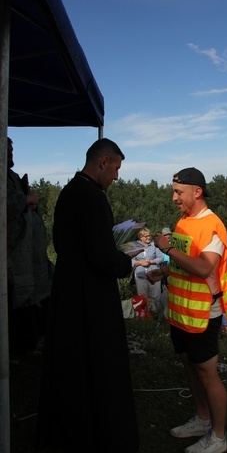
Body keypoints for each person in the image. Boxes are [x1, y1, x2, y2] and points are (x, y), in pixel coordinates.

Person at [36, 138, 140, 453]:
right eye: (116, 169)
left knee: (70, 365)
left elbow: (74, 245)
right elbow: (101, 257)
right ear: (103, 161)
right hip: (91, 297)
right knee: (96, 364)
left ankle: (67, 427)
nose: (117, 177)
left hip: (68, 288)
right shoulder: (92, 198)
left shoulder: (69, 192)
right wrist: (126, 259)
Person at [150, 167, 227, 453]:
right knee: (190, 366)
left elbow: (203, 267)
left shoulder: (212, 225)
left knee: (207, 373)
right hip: (181, 311)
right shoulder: (184, 222)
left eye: (178, 192)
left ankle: (219, 437)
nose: (174, 198)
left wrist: (167, 249)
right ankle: (202, 418)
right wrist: (163, 271)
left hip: (203, 314)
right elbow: (183, 263)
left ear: (196, 192)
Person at [7, 137, 52, 358]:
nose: (11, 152)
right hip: (12, 256)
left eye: (12, 148)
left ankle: (30, 341)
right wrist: (24, 200)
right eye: (8, 149)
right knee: (14, 301)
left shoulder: (12, 177)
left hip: (28, 253)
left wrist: (29, 201)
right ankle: (16, 349)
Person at [132, 227, 164, 313]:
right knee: (142, 296)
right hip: (140, 274)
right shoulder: (135, 246)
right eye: (146, 236)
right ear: (141, 237)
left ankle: (157, 313)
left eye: (149, 236)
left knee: (156, 295)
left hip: (154, 274)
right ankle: (143, 314)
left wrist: (150, 262)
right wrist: (140, 263)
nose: (149, 237)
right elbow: (131, 260)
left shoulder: (154, 245)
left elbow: (161, 258)